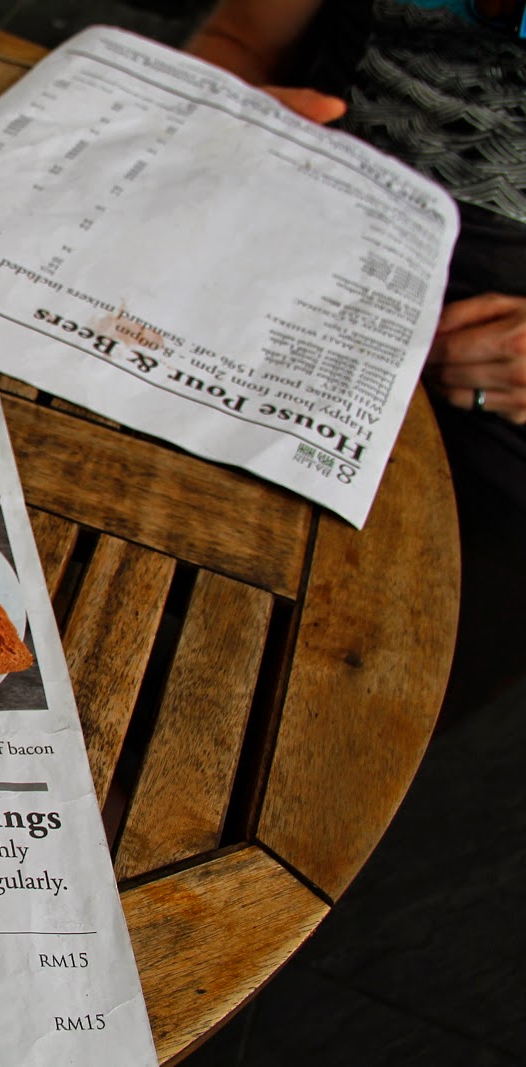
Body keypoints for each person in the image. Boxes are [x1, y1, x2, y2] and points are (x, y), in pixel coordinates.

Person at [188, 0, 526, 714]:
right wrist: (219, 112)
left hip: (501, 350)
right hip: (305, 196)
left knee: (342, 683)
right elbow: (240, 37)